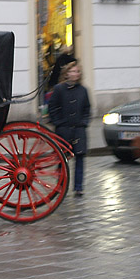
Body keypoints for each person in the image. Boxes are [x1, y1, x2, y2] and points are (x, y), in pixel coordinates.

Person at [48, 61, 90, 197]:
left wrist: (84, 122)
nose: (75, 74)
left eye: (77, 71)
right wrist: (58, 123)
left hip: (79, 129)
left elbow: (87, 108)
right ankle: (60, 185)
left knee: (80, 159)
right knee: (62, 160)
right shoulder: (59, 89)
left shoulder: (83, 90)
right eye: (72, 71)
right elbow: (52, 107)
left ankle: (79, 187)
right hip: (64, 129)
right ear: (66, 74)